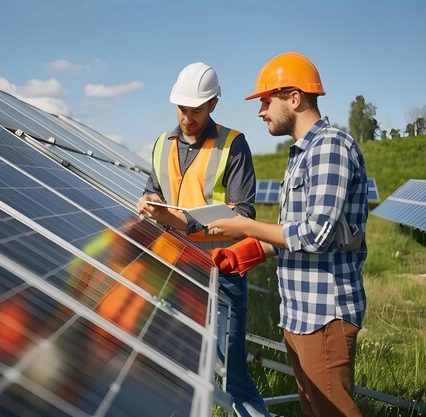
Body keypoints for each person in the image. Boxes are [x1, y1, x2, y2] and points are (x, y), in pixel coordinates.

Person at [209, 52, 368, 417]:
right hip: (298, 312)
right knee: (314, 409)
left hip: (324, 314)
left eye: (266, 100)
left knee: (334, 411)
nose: (261, 110)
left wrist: (243, 226)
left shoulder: (329, 147)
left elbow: (316, 234)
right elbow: (293, 232)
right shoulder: (301, 154)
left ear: (294, 98)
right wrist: (246, 252)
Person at [136, 62, 271, 417]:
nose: (187, 117)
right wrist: (148, 202)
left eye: (195, 110)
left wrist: (179, 222)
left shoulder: (233, 145)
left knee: (232, 374)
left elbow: (243, 217)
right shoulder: (161, 145)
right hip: (172, 270)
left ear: (212, 104)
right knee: (173, 363)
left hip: (221, 271)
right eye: (182, 108)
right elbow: (155, 191)